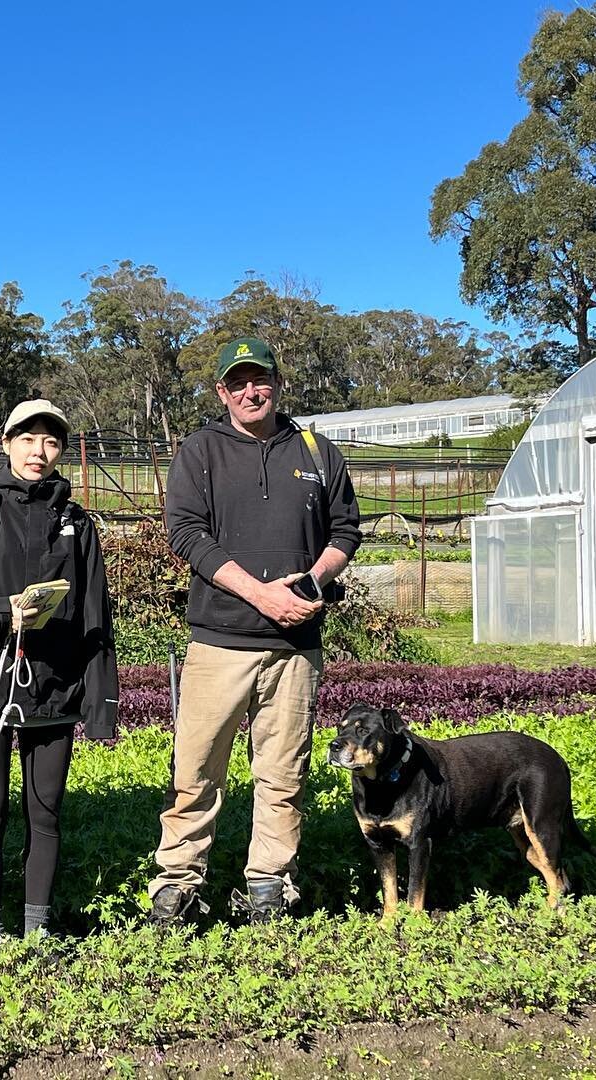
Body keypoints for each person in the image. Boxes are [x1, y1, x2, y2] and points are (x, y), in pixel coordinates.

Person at [146, 337, 361, 925]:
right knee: (194, 771)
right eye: (237, 382)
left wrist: (313, 583)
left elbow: (345, 531)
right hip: (219, 640)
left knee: (283, 772)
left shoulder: (316, 451)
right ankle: (179, 881)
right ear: (222, 391)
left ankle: (271, 880)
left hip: (295, 646)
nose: (250, 391)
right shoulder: (201, 451)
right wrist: (261, 593)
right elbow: (186, 533)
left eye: (259, 379)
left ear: (276, 383)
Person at [0, 399, 118, 945]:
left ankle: (37, 928)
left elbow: (94, 616)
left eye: (51, 442)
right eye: (28, 439)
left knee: (46, 814)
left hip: (53, 688)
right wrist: (2, 611)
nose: (40, 452)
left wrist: (100, 706)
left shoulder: (77, 523)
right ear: (7, 443)